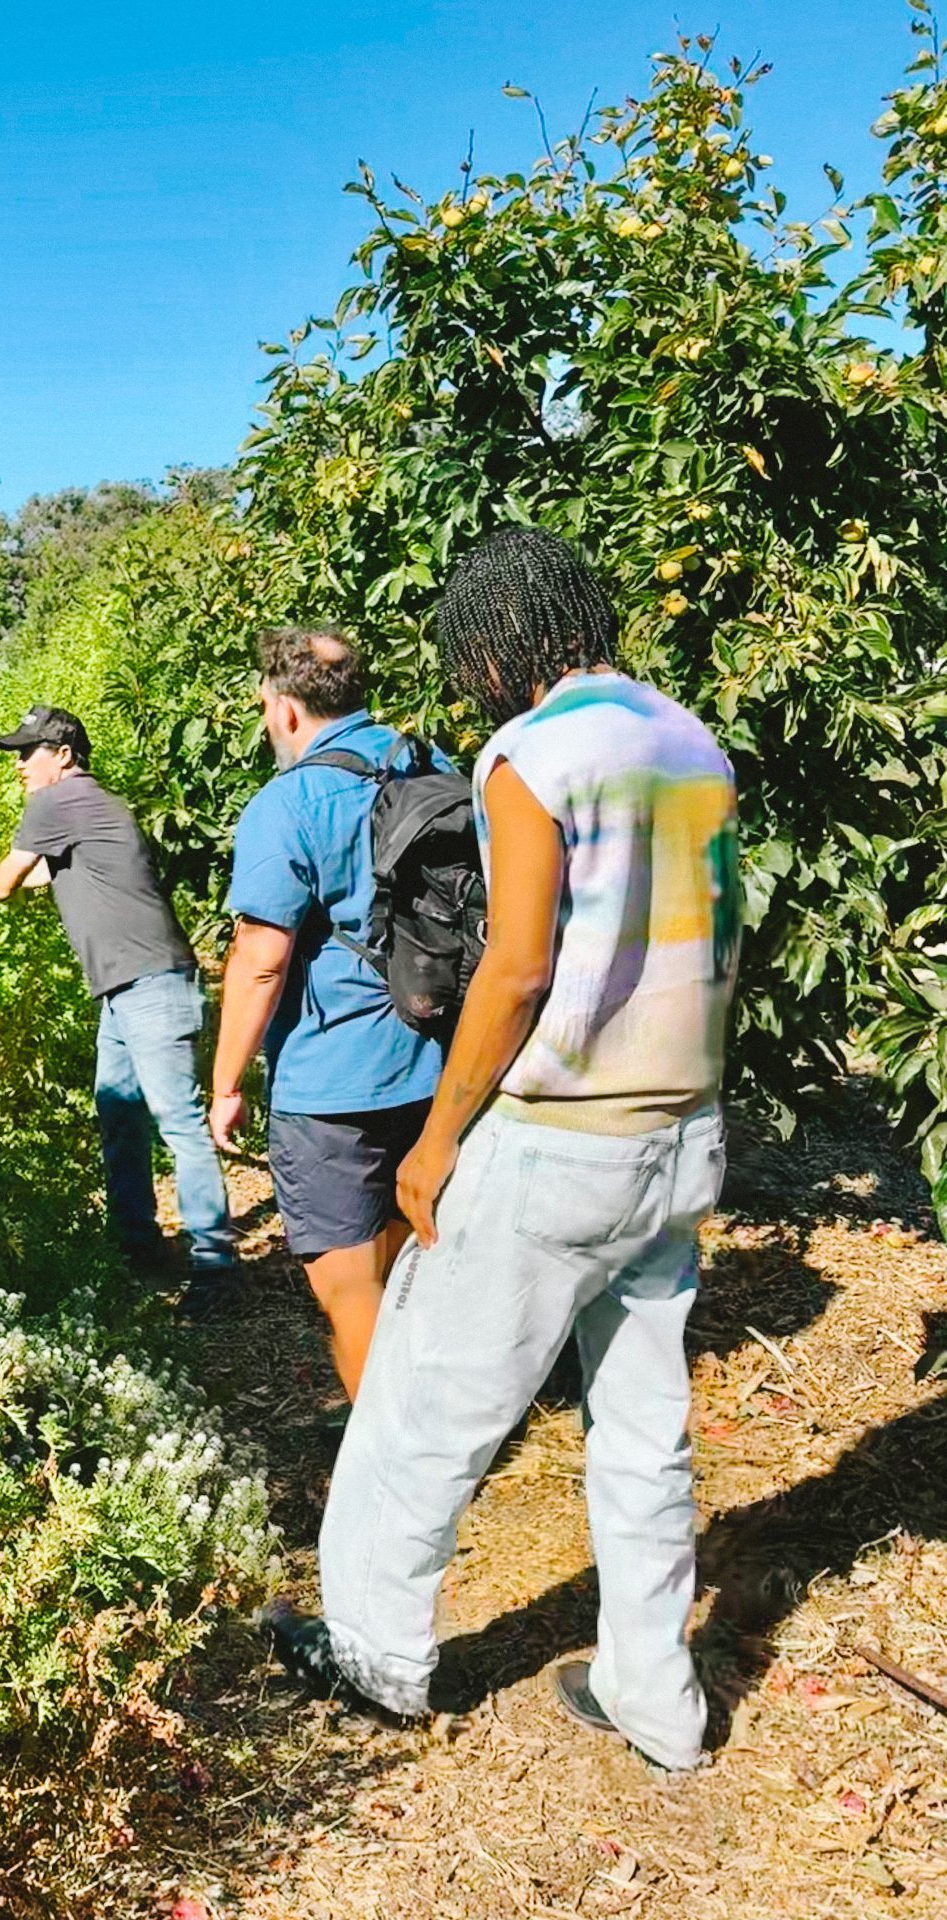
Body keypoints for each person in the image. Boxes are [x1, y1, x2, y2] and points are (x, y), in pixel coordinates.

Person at [264, 529, 740, 1775]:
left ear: (497, 639)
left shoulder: (530, 753)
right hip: (681, 1132)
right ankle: (657, 1700)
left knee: (425, 1400)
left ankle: (374, 1650)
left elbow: (519, 965)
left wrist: (437, 1138)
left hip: (560, 1141)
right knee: (644, 1427)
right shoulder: (693, 743)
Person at [0, 704, 237, 1306]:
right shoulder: (87, 805)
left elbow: (4, 885)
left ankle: (217, 1272)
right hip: (127, 991)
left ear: (62, 755)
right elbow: (41, 873)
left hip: (148, 985)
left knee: (178, 1123)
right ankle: (138, 1248)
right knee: (119, 1114)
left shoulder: (57, 802)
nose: (19, 764)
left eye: (27, 752)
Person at [209, 627, 446, 1401]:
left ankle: (396, 1473)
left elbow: (262, 958)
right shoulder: (432, 765)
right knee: (414, 1266)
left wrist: (226, 1082)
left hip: (331, 1085)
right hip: (441, 1062)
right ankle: (445, 1423)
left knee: (351, 1292)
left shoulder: (287, 803)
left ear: (282, 711)